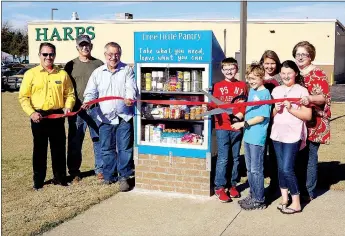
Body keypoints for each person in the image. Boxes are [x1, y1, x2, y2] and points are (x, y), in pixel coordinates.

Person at [18, 42, 75, 190]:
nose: (48, 57)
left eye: (51, 54)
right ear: (39, 55)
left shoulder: (62, 74)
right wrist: (32, 113)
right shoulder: (31, 74)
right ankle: (38, 181)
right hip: (39, 117)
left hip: (57, 116)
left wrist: (68, 106)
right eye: (45, 54)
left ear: (54, 55)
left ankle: (60, 178)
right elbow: (23, 97)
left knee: (59, 149)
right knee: (39, 150)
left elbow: (69, 94)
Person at [83, 42, 138, 191]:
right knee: (106, 148)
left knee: (125, 148)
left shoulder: (127, 70)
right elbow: (91, 91)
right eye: (110, 54)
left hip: (123, 117)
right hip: (105, 118)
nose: (113, 57)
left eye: (116, 54)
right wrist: (88, 101)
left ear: (120, 54)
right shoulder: (98, 72)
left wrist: (129, 97)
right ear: (105, 55)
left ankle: (124, 177)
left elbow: (131, 87)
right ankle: (109, 175)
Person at [271, 60, 312, 214]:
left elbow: (307, 115)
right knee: (281, 168)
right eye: (283, 73)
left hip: (293, 135)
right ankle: (284, 199)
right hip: (277, 135)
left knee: (288, 168)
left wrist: (291, 110)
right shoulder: (276, 90)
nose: (286, 76)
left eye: (289, 73)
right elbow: (271, 115)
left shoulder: (302, 91)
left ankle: (296, 202)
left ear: (295, 73)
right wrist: (275, 109)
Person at [293, 41, 331, 201]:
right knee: (299, 155)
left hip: (315, 121)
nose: (300, 57)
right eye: (297, 54)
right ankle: (298, 187)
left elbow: (324, 97)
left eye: (304, 54)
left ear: (310, 56)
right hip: (298, 119)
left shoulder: (318, 73)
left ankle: (309, 191)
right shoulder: (295, 73)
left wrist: (309, 98)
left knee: (310, 156)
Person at [64, 35, 104, 183]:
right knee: (75, 141)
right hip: (77, 110)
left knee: (98, 139)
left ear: (91, 46)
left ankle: (100, 169)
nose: (84, 48)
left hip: (95, 109)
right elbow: (66, 87)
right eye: (81, 45)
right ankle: (74, 172)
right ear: (77, 48)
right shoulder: (70, 65)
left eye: (87, 45)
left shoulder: (99, 64)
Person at [232, 63, 271, 210]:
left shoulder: (265, 93)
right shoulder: (252, 92)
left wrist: (242, 124)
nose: (251, 81)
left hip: (257, 137)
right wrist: (238, 117)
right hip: (248, 136)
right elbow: (249, 110)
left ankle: (259, 199)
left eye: (254, 78)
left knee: (256, 169)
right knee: (249, 169)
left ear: (262, 77)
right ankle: (253, 194)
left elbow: (261, 117)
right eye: (249, 78)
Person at [212, 57, 248, 202]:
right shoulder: (218, 86)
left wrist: (239, 116)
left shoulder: (243, 85)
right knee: (223, 158)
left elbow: (245, 104)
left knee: (235, 158)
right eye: (226, 69)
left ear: (236, 69)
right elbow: (214, 104)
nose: (229, 71)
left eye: (231, 69)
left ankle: (232, 184)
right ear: (222, 71)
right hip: (222, 127)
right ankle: (219, 187)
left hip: (237, 127)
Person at [259, 50, 284, 196]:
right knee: (260, 155)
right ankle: (259, 185)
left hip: (277, 122)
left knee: (275, 155)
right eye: (267, 63)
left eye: (272, 63)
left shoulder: (280, 78)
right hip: (260, 123)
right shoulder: (258, 77)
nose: (269, 66)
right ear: (262, 63)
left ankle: (276, 184)